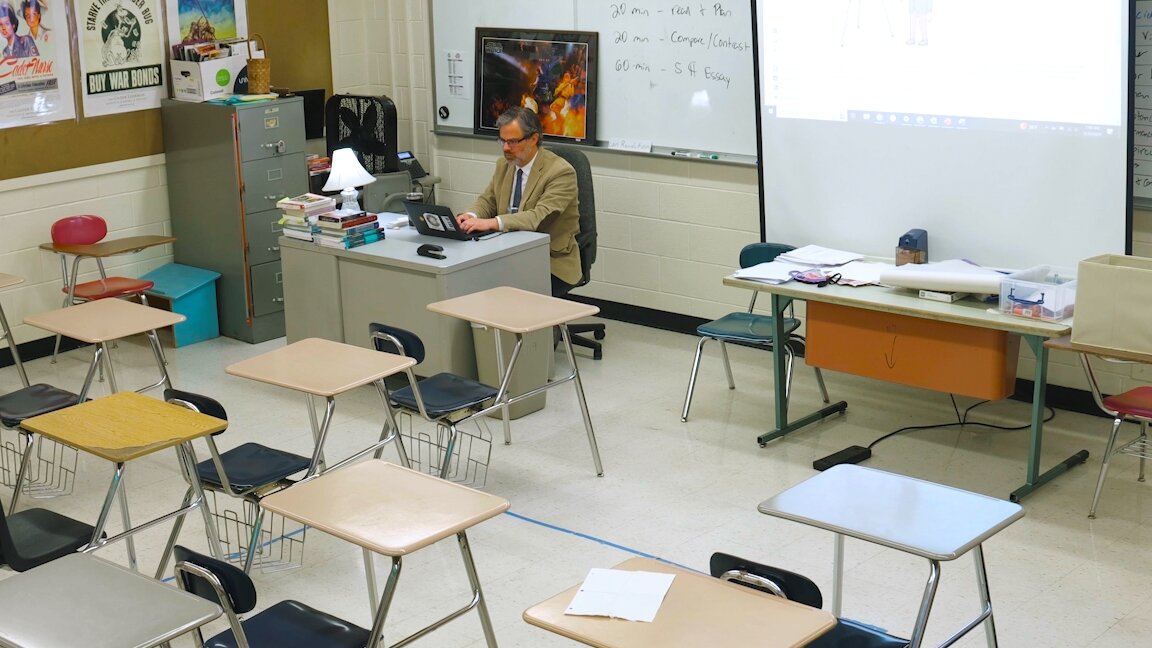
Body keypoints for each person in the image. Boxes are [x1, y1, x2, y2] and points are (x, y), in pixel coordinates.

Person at [457, 106, 582, 296]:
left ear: (534, 139)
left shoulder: (560, 172)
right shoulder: (504, 165)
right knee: (468, 278)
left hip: (548, 259)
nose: (506, 148)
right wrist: (470, 215)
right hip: (506, 252)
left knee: (494, 288)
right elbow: (487, 201)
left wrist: (492, 222)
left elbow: (537, 217)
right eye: (502, 141)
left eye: (513, 141)